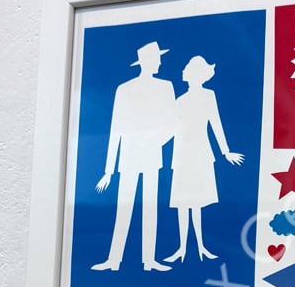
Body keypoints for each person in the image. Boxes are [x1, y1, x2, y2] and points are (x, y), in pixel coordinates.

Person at [92, 41, 178, 272]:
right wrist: (108, 170)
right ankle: (113, 260)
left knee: (150, 207)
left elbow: (172, 124)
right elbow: (115, 130)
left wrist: (152, 141)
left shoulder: (166, 87)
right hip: (128, 157)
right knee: (124, 207)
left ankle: (149, 261)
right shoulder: (124, 89)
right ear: (147, 61)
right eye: (157, 58)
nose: (160, 62)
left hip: (151, 156)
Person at [164, 56, 243, 262]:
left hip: (200, 152)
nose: (188, 74)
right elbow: (170, 129)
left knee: (196, 202)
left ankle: (200, 246)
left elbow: (216, 123)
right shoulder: (179, 101)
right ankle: (182, 248)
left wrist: (225, 151)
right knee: (182, 202)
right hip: (181, 154)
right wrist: (151, 143)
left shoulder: (209, 96)